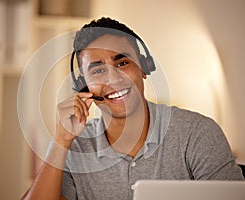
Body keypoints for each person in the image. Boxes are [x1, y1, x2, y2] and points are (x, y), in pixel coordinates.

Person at [22, 17, 244, 200]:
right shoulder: (72, 146)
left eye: (122, 63)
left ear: (145, 67)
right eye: (98, 71)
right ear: (84, 86)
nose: (113, 78)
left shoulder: (197, 133)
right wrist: (61, 141)